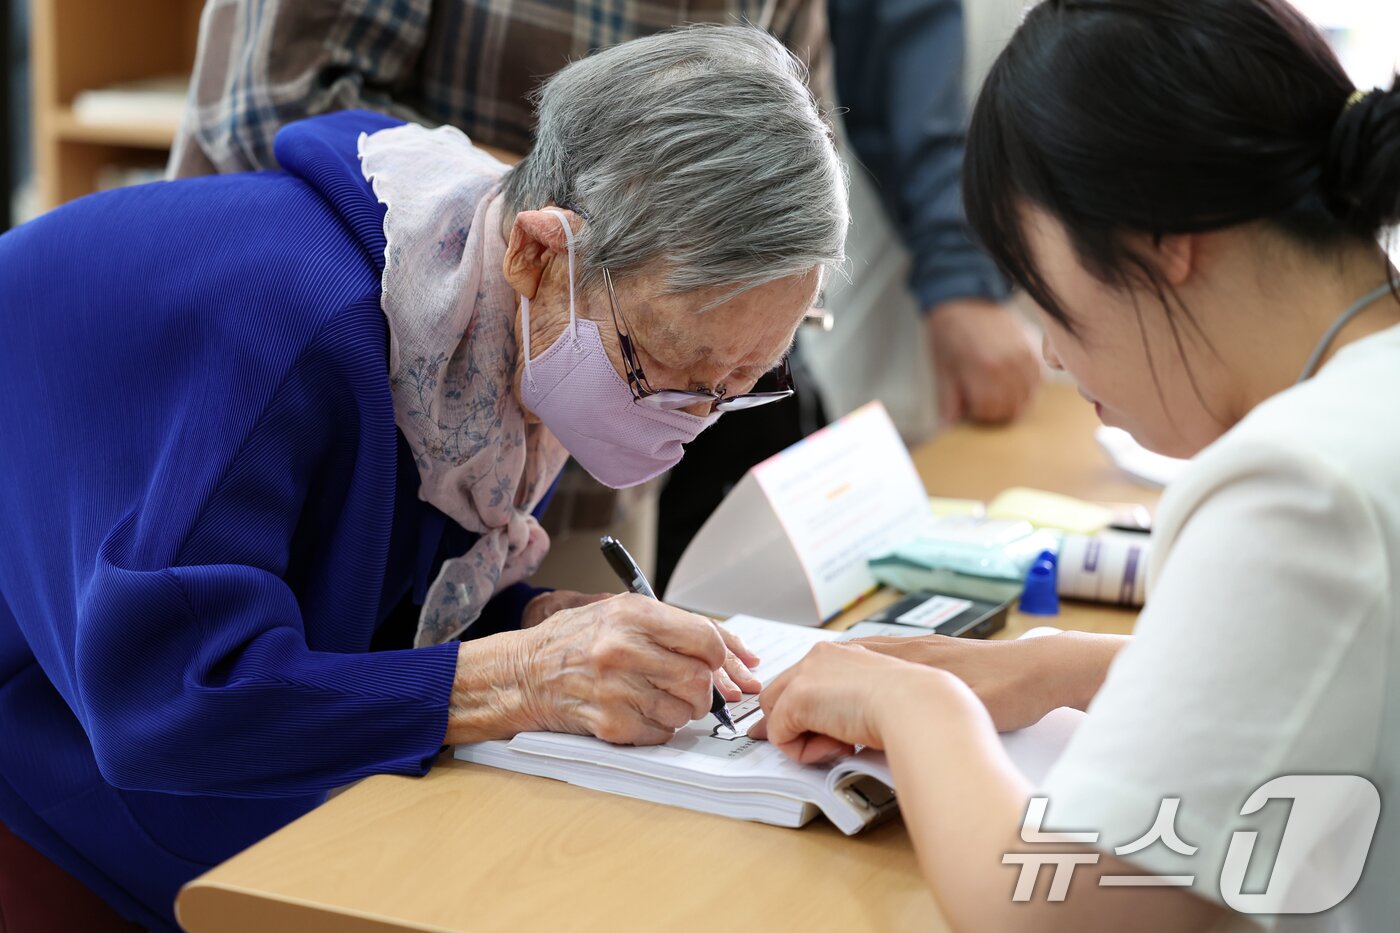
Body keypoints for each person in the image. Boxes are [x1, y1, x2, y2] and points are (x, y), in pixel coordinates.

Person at [0, 27, 847, 931]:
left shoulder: (492, 329)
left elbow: (350, 596)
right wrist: (521, 675)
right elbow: (170, 701)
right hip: (43, 761)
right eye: (673, 373)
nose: (692, 420)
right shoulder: (298, 332)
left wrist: (521, 617)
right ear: (538, 252)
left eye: (738, 388)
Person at [754, 0, 1400, 929]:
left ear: (1161, 234)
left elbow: (1052, 909)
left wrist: (917, 706)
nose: (1050, 352)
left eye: (1044, 290)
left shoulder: (1298, 484)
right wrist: (1081, 666)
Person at [165, 0, 1040, 591]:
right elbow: (273, 113)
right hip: (353, 415)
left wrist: (687, 348)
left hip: (600, 410)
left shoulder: (656, 380)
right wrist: (565, 277)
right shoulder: (532, 281)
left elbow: (785, 149)